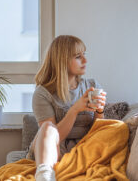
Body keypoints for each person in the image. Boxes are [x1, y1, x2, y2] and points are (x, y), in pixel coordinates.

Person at [29, 35, 107, 181]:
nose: (85, 60)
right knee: (47, 127)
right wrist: (74, 110)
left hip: (84, 147)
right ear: (62, 61)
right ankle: (45, 175)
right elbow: (52, 138)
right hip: (52, 149)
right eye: (78, 56)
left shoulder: (92, 85)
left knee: (118, 128)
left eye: (84, 54)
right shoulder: (42, 94)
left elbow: (98, 132)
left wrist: (100, 111)